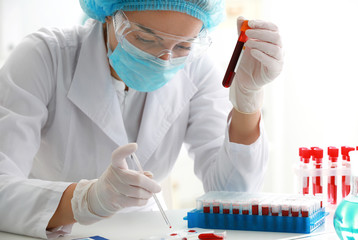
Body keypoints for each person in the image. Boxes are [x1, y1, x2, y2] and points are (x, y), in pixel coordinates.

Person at [0, 0, 283, 238]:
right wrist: (84, 200)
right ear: (109, 15)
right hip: (48, 229)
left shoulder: (196, 70)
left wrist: (247, 100)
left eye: (184, 46)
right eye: (145, 38)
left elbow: (231, 196)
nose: (164, 59)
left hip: (144, 232)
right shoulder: (45, 57)